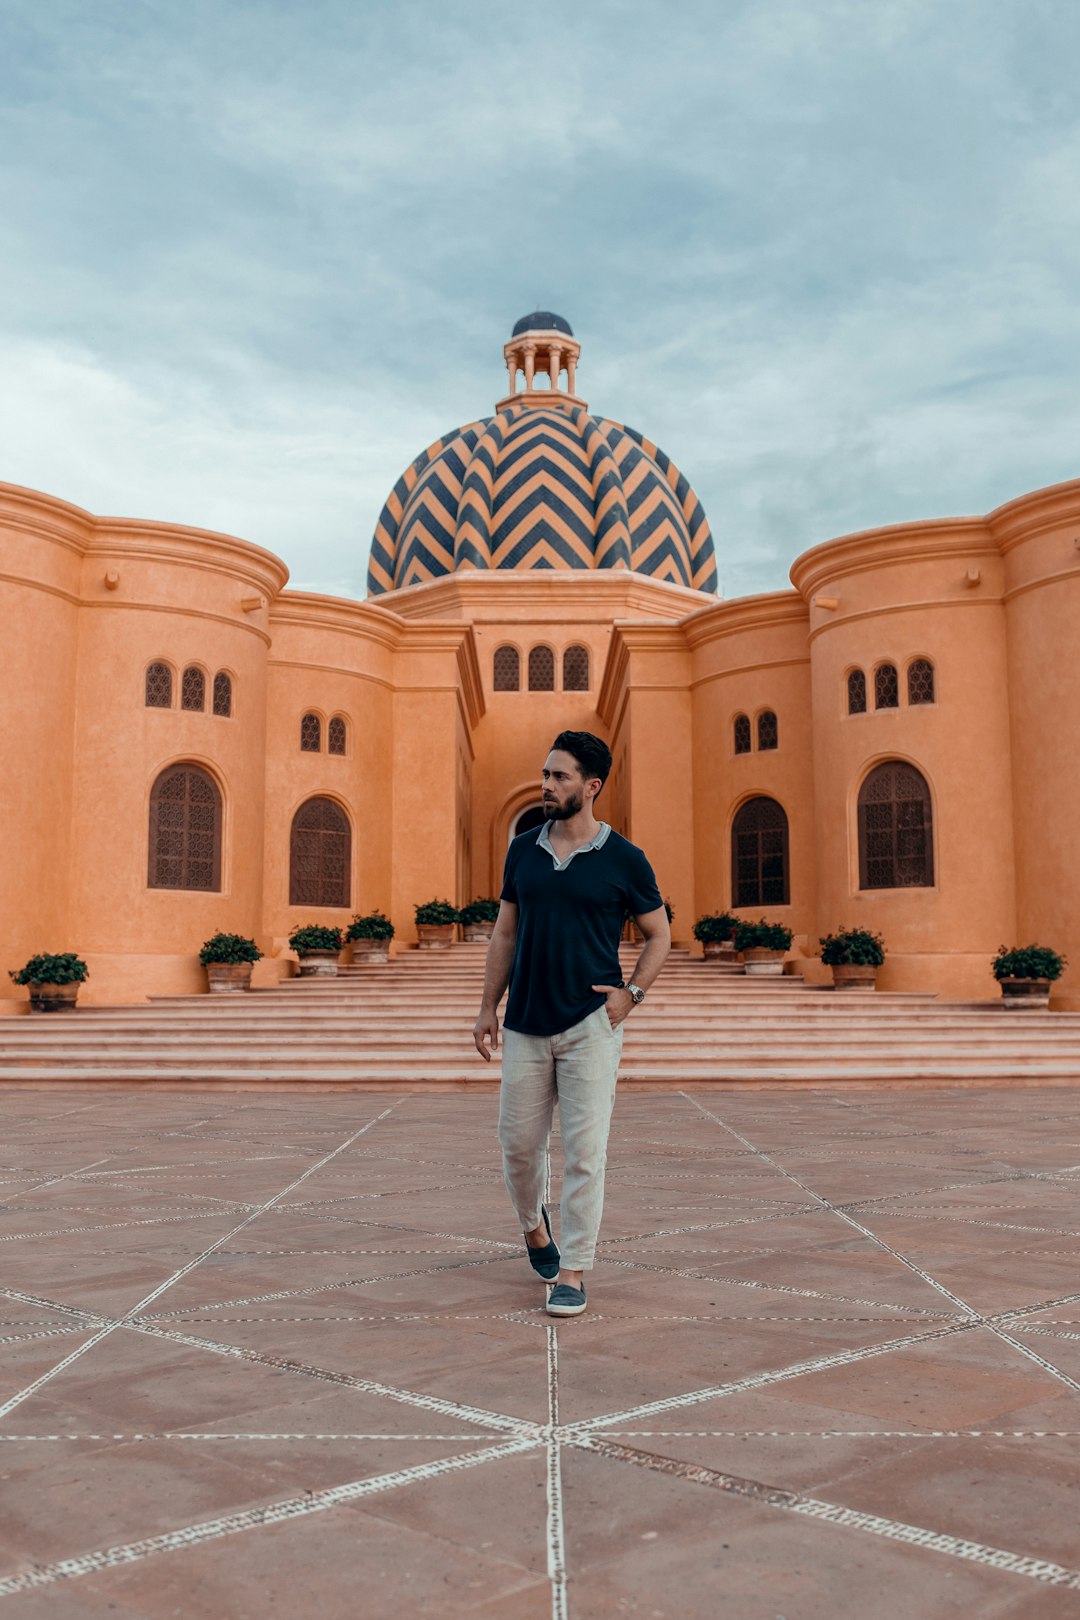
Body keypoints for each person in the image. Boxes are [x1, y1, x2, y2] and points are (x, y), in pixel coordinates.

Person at [473, 730, 670, 1317]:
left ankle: (574, 1269)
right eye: (545, 774)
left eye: (560, 776)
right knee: (517, 1148)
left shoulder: (625, 859)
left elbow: (660, 934)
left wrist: (631, 994)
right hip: (526, 1023)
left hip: (591, 1024)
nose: (547, 784)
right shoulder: (523, 851)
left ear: (591, 786)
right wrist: (488, 1005)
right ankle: (536, 1229)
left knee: (586, 1153)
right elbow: (506, 931)